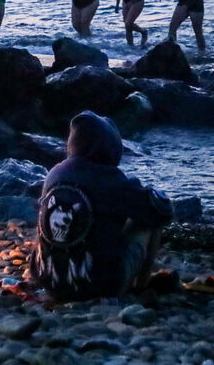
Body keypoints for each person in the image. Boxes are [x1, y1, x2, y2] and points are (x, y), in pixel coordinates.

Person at [31, 111, 173, 302]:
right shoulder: (113, 180)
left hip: (48, 281)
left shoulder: (54, 173)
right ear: (111, 147)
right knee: (148, 219)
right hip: (101, 285)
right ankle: (141, 286)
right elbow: (161, 210)